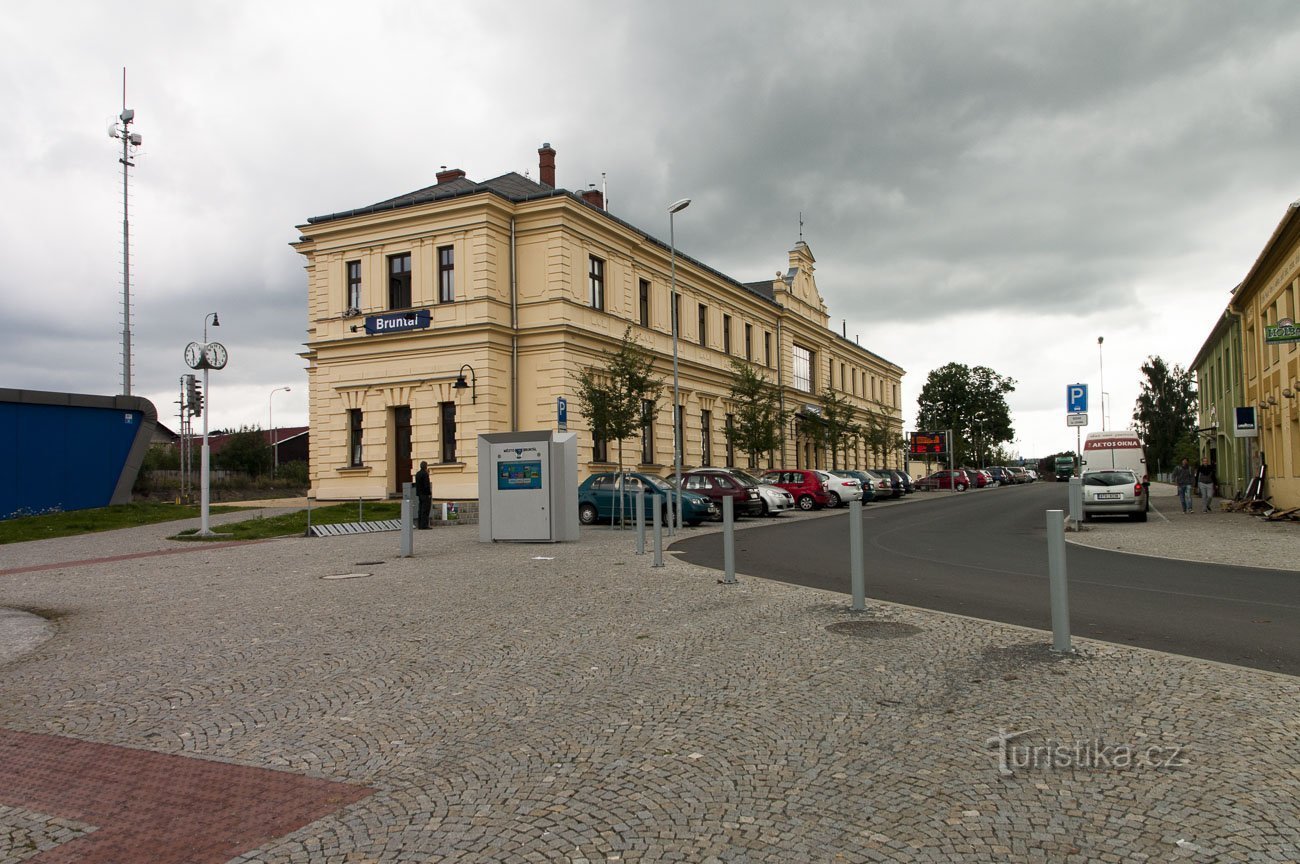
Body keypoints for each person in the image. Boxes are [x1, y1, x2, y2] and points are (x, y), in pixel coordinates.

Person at [414, 461, 432, 529]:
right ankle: (424, 525)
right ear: (425, 466)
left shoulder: (418, 474)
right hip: (425, 494)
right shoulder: (425, 474)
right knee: (425, 510)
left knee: (420, 510)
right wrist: (429, 493)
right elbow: (426, 485)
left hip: (419, 494)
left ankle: (420, 524)